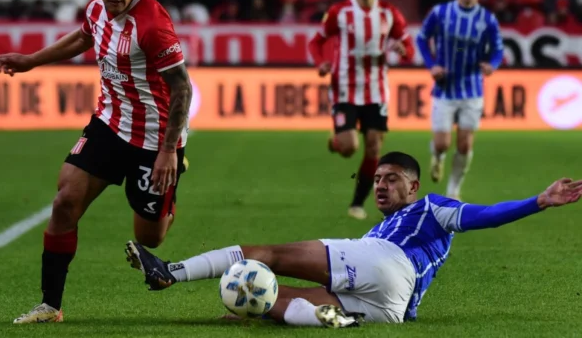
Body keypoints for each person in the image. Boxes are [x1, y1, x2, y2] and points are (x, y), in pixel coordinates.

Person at [124, 151, 582, 328]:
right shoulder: (384, 227)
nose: (381, 185)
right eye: (377, 179)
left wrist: (537, 201)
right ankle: (331, 318)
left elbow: (485, 216)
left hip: (385, 262)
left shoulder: (431, 209)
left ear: (414, 186)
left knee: (264, 255)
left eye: (392, 179)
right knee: (268, 299)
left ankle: (171, 271)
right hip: (393, 308)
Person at [0, 0, 193, 323]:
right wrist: (33, 60)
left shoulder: (152, 25)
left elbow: (182, 88)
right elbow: (84, 36)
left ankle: (171, 188)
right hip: (109, 123)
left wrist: (170, 152)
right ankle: (51, 305)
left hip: (154, 138)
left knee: (151, 237)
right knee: (65, 200)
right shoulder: (97, 9)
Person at [308, 0, 415, 221]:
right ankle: (336, 141)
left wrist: (404, 51)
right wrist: (321, 62)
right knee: (348, 147)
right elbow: (317, 41)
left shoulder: (390, 13)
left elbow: (408, 46)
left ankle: (357, 204)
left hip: (376, 91)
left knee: (374, 149)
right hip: (344, 87)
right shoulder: (339, 12)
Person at [415, 0, 504, 200]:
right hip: (445, 89)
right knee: (443, 143)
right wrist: (431, 65)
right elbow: (422, 39)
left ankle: (454, 190)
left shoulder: (487, 19)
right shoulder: (440, 13)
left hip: (472, 89)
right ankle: (438, 156)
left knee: (464, 145)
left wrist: (491, 65)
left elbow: (498, 49)